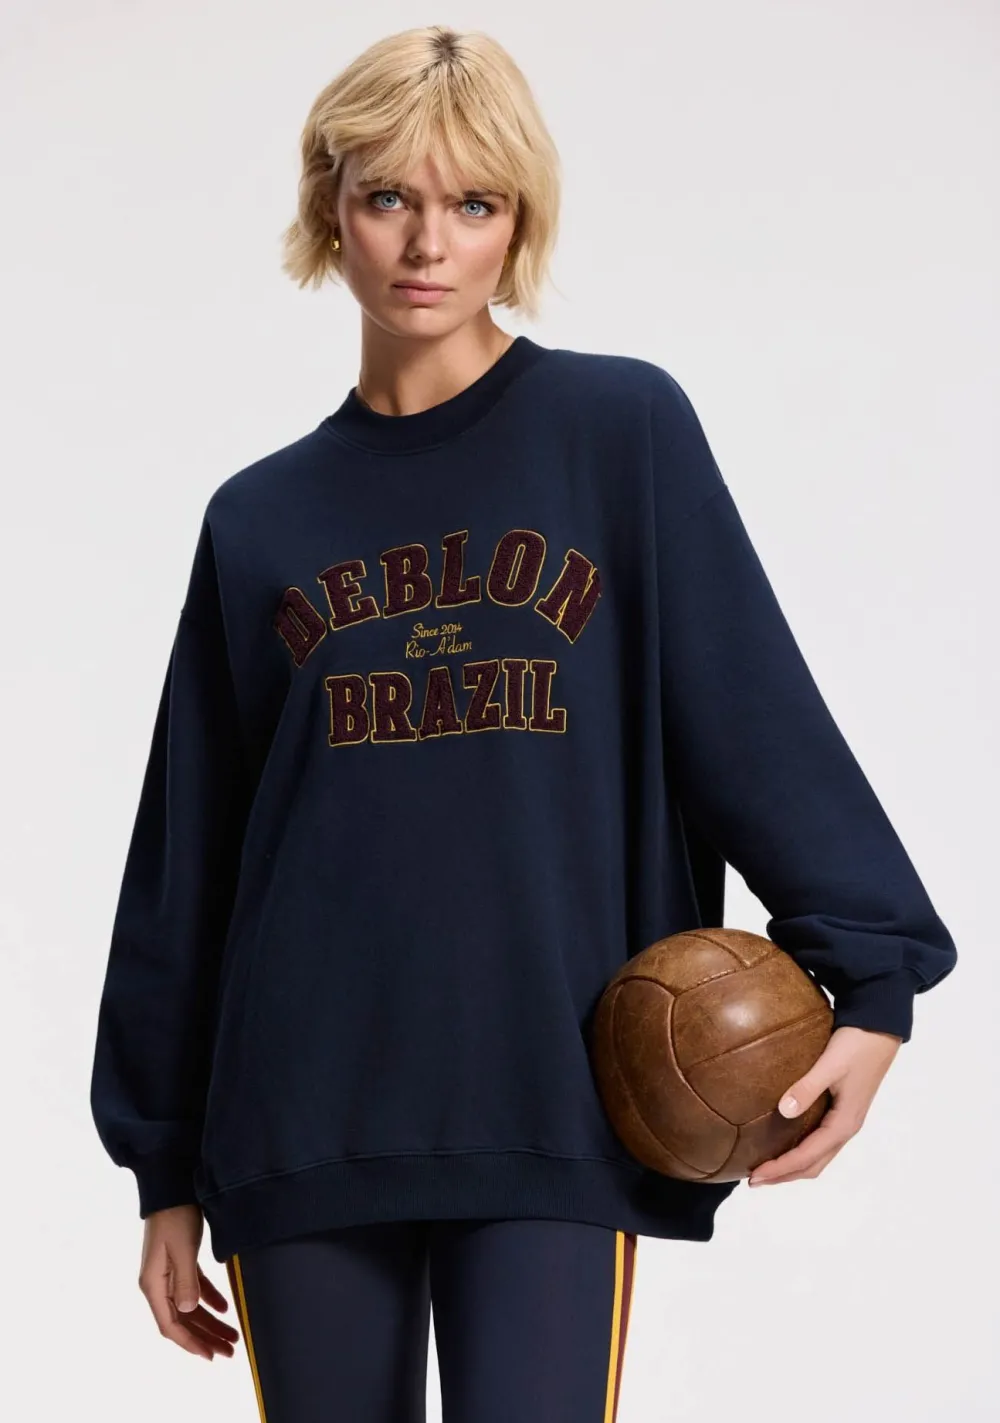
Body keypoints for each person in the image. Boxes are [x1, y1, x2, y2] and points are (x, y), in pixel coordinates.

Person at [88, 23, 957, 1423]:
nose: (429, 243)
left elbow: (746, 709)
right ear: (331, 210)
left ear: (519, 222)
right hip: (301, 1116)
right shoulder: (257, 519)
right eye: (389, 196)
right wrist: (164, 1169)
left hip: (552, 1096)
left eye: (475, 203)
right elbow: (188, 863)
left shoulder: (619, 433)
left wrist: (872, 976)